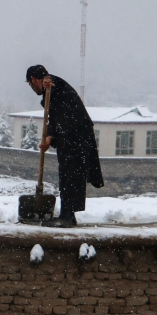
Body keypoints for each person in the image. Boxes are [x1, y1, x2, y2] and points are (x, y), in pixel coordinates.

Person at [26, 65, 104, 227]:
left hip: (75, 135)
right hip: (72, 135)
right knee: (70, 174)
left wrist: (51, 136)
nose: (32, 88)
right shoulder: (52, 91)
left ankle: (67, 216)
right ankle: (68, 214)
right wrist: (49, 137)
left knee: (71, 174)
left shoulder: (53, 86)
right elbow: (56, 116)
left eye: (30, 84)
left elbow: (62, 113)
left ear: (34, 80)